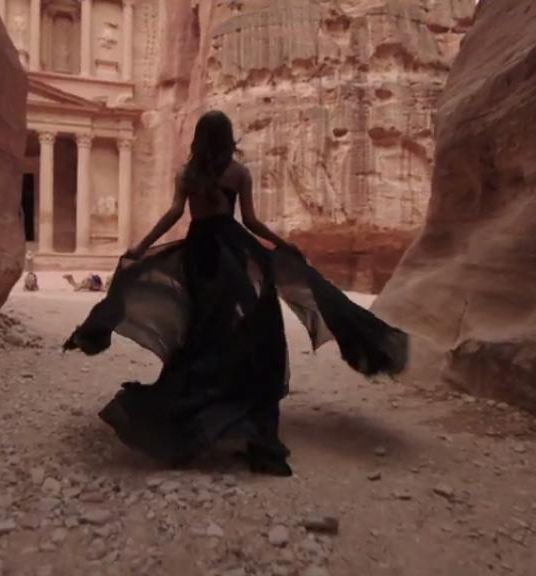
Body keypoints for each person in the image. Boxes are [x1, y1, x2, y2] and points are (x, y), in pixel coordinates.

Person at [63, 110, 408, 476]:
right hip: (231, 249)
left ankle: (199, 410)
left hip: (200, 254)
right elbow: (251, 221)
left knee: (203, 329)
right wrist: (281, 244)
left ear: (198, 139)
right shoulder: (238, 173)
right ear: (228, 139)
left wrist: (142, 247)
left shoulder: (187, 174)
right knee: (253, 325)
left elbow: (174, 213)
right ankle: (239, 410)